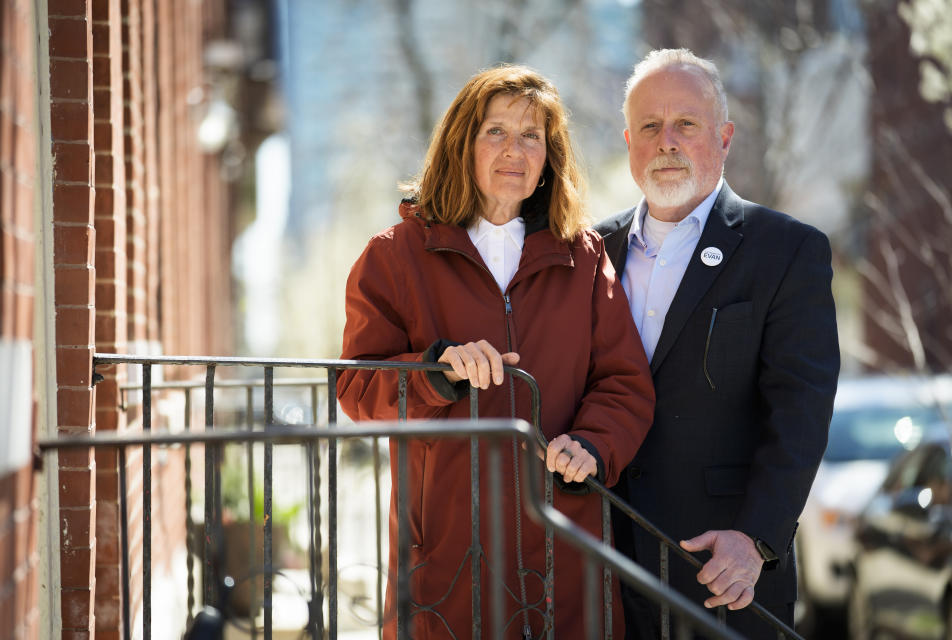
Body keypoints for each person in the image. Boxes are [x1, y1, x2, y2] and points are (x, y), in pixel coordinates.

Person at [337, 65, 655, 639]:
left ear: (549, 157)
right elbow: (357, 389)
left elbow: (623, 382)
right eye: (496, 132)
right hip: (446, 554)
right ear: (463, 143)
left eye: (532, 135)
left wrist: (594, 444)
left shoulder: (582, 257)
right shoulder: (394, 256)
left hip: (564, 544)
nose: (515, 150)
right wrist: (436, 373)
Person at [594, 49, 840, 638]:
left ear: (724, 137)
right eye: (650, 126)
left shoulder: (786, 251)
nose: (666, 141)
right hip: (604, 569)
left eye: (687, 124)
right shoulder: (591, 251)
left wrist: (756, 538)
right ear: (629, 142)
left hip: (723, 575)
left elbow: (800, 415)